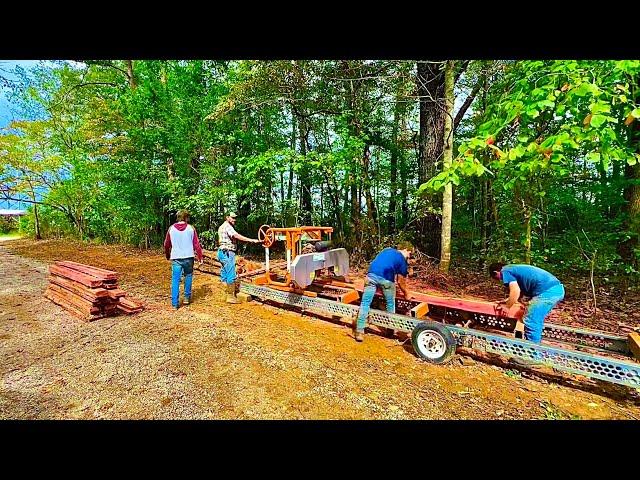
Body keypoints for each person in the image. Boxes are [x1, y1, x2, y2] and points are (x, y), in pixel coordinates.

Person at [488, 262, 565, 346]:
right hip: (555, 290)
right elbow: (519, 290)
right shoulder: (513, 268)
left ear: (496, 272)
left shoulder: (505, 271)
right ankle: (533, 346)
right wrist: (508, 300)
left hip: (549, 292)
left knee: (531, 319)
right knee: (535, 318)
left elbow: (515, 291)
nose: (502, 280)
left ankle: (532, 352)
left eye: (498, 278)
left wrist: (507, 307)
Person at [354, 242, 414, 342]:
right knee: (390, 304)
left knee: (365, 303)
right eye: (409, 254)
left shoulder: (386, 250)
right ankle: (390, 330)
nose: (409, 256)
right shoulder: (402, 259)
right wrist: (406, 293)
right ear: (407, 250)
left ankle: (359, 331)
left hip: (370, 276)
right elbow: (400, 281)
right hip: (386, 281)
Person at [217, 212, 261, 304]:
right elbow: (236, 235)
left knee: (224, 274)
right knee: (231, 274)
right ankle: (230, 297)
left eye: (235, 218)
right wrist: (251, 240)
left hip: (221, 252)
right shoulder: (228, 226)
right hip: (227, 253)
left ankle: (224, 294)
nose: (234, 220)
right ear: (227, 217)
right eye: (232, 218)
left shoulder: (221, 227)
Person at [164, 209, 204, 310]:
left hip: (176, 257)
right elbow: (196, 245)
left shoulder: (171, 229)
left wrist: (168, 255)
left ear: (177, 217)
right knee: (188, 276)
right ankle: (186, 298)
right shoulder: (191, 229)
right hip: (188, 257)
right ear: (186, 218)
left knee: (175, 280)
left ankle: (174, 304)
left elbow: (166, 244)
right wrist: (200, 258)